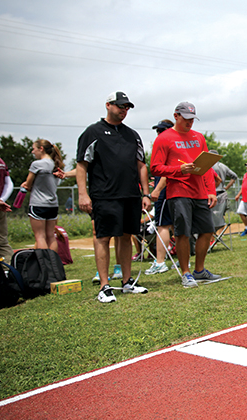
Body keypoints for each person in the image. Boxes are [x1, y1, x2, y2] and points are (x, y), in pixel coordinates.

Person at [76, 91, 150, 303]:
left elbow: (141, 165)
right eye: (120, 106)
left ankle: (127, 283)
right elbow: (82, 165)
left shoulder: (132, 134)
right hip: (105, 196)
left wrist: (145, 193)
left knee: (126, 237)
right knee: (103, 238)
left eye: (127, 107)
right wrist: (83, 194)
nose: (124, 110)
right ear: (108, 105)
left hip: (131, 195)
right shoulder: (93, 132)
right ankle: (104, 285)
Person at [150, 101, 221, 288]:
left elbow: (206, 166)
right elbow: (155, 168)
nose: (190, 123)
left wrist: (211, 191)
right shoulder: (163, 138)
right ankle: (185, 273)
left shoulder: (198, 137)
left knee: (207, 230)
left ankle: (199, 271)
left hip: (199, 192)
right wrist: (179, 169)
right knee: (183, 233)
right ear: (176, 116)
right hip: (178, 191)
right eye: (186, 119)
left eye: (192, 119)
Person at [21, 139, 65, 252]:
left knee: (40, 237)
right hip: (53, 205)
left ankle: (43, 265)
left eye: (34, 149)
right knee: (51, 236)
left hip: (38, 203)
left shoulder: (37, 164)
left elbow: (28, 184)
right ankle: (53, 264)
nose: (32, 152)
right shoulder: (55, 164)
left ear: (41, 149)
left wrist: (26, 185)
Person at [209, 151, 238, 231]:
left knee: (211, 215)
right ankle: (220, 235)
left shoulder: (210, 166)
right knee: (221, 215)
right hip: (223, 193)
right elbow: (234, 176)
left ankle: (213, 236)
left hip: (213, 193)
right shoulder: (223, 166)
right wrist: (227, 187)